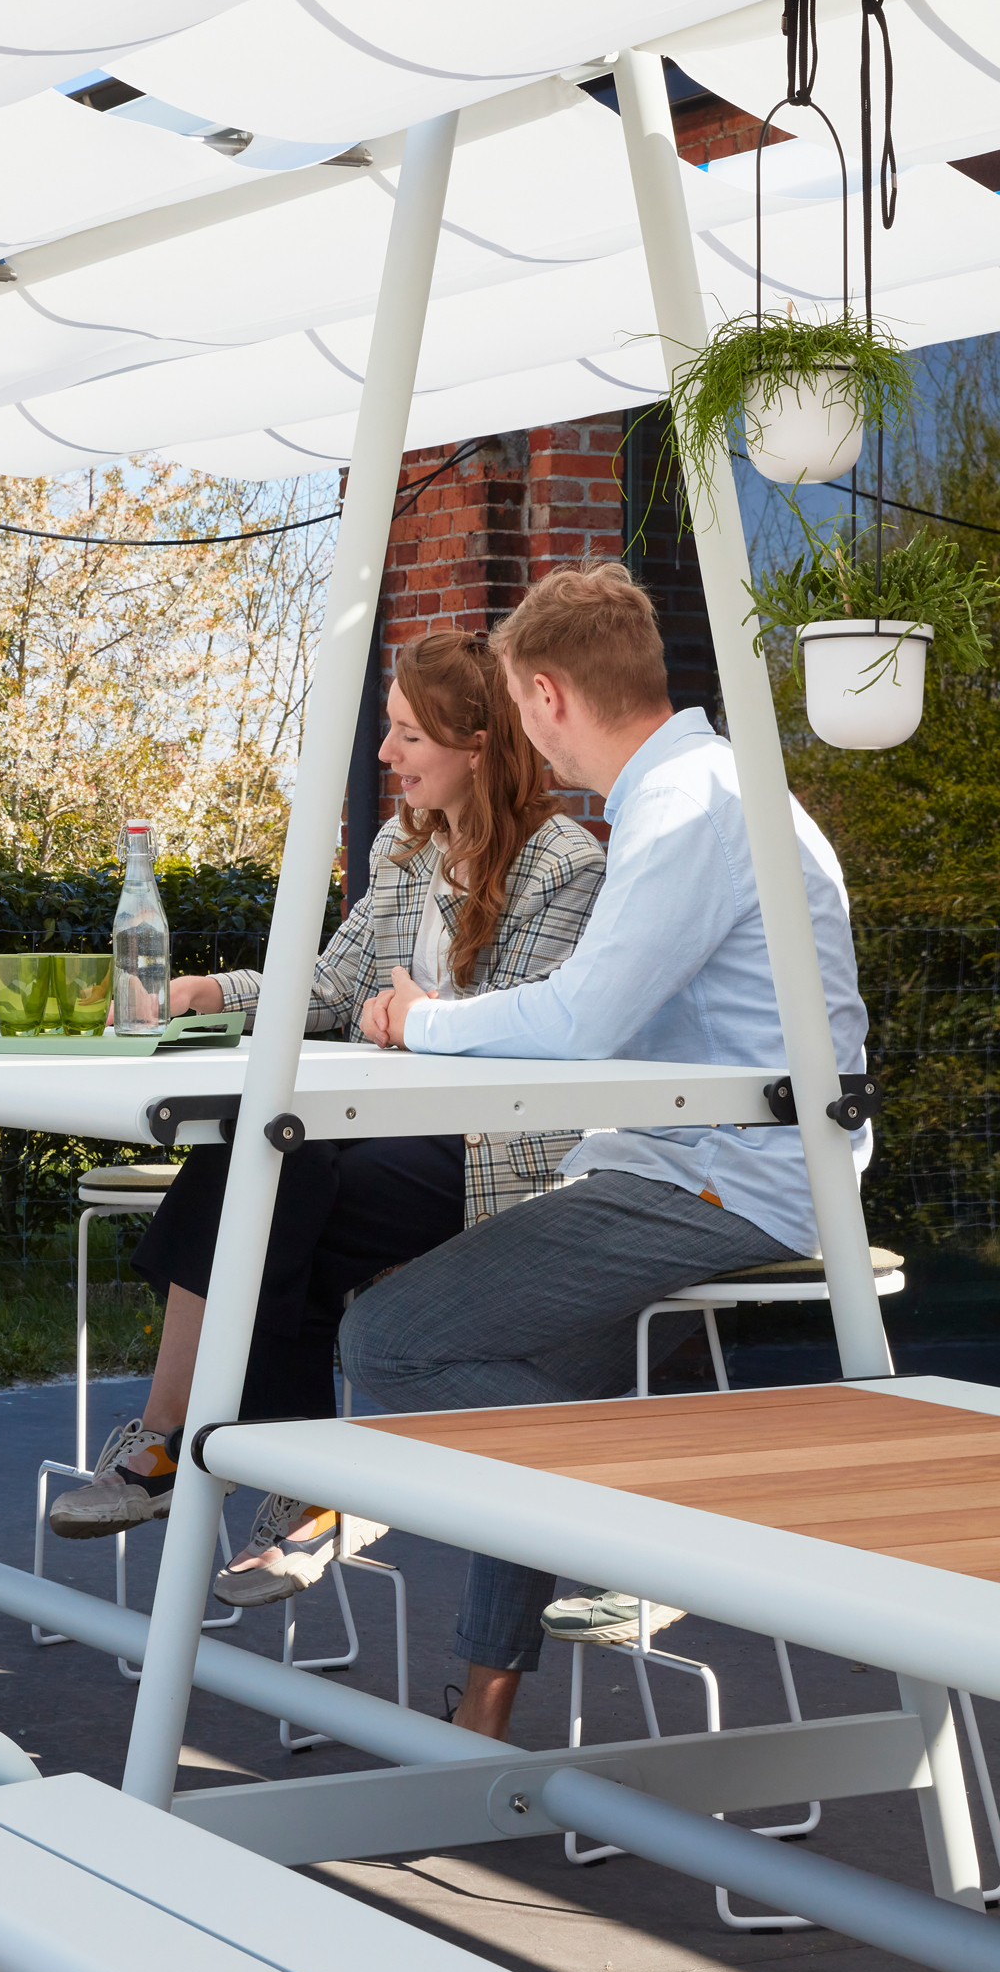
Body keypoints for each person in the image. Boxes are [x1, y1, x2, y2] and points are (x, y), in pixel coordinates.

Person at [342, 561, 870, 1739]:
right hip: (715, 1163)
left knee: (387, 1338)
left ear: (543, 696)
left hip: (720, 1178)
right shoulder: (708, 787)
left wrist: (420, 1023)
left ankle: (670, 1526)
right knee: (528, 1406)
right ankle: (482, 1719)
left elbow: (584, 1018)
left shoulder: (682, 808)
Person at [48, 631, 605, 1602]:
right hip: (375, 1133)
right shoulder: (403, 846)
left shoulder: (564, 863)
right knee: (265, 1162)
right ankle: (278, 1471)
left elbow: (535, 1035)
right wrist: (203, 992)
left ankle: (186, 1448)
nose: (385, 753)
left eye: (407, 733)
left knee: (276, 1179)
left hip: (491, 1150)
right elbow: (331, 986)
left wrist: (417, 1022)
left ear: (477, 743)